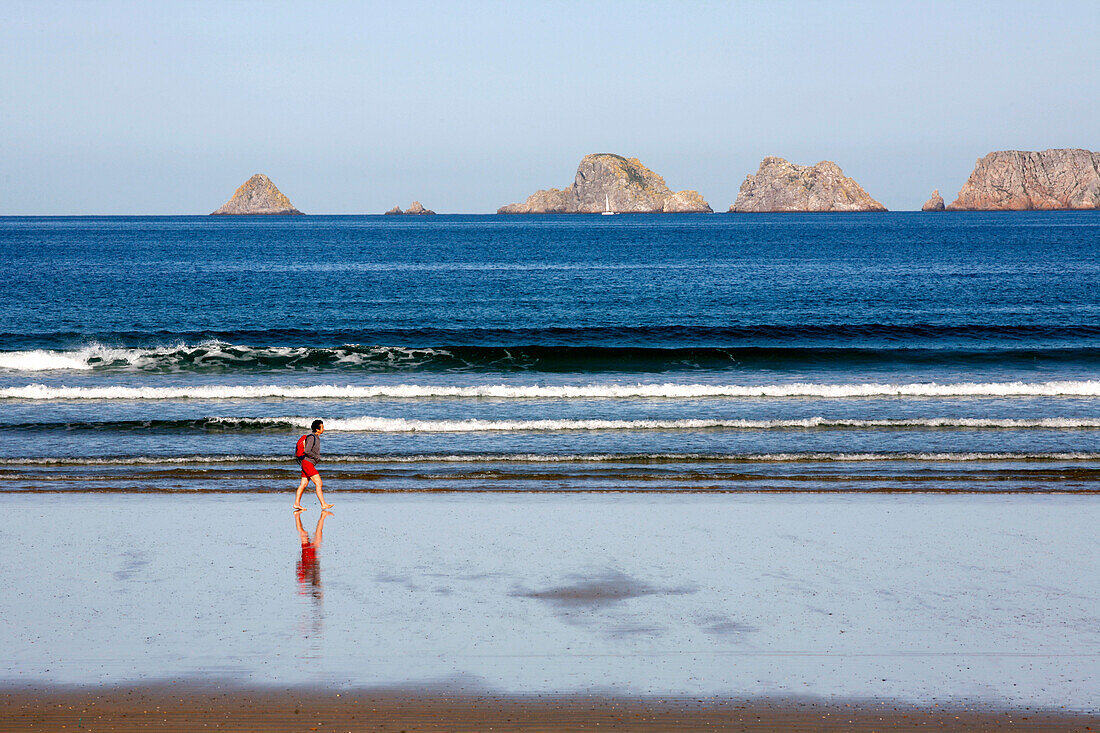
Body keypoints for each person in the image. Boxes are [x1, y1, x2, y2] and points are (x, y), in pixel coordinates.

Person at [294, 419, 333, 511]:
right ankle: (323, 504)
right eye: (322, 427)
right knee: (319, 483)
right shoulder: (312, 437)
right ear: (317, 429)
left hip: (306, 463)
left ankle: (296, 504)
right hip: (307, 463)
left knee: (303, 484)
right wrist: (316, 457)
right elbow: (307, 451)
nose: (323, 428)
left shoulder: (316, 437)